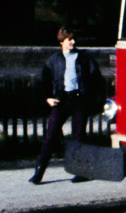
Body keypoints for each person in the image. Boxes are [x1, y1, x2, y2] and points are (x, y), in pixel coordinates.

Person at [30, 27, 102, 184]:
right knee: (50, 136)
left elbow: (96, 78)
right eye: (69, 39)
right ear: (61, 41)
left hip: (79, 99)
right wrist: (47, 97)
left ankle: (80, 172)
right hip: (61, 100)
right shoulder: (54, 60)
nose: (73, 42)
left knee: (79, 137)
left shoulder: (84, 58)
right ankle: (39, 171)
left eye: (74, 39)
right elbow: (44, 80)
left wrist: (92, 98)